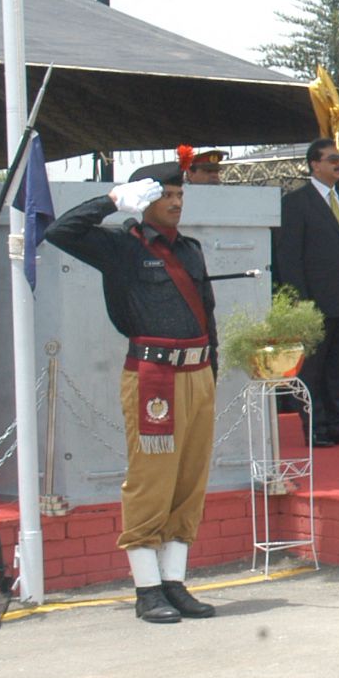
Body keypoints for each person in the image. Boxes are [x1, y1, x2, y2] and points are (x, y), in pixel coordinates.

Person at [44, 153, 221, 623]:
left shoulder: (190, 250)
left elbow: (207, 313)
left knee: (189, 482)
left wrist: (213, 373)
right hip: (154, 378)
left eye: (180, 194)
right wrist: (110, 200)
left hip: (197, 372)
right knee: (151, 481)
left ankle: (174, 582)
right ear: (144, 201)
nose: (176, 202)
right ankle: (147, 589)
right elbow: (59, 232)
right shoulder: (121, 247)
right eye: (166, 195)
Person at [274, 138, 339, 448]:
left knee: (338, 368)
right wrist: (300, 302)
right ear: (314, 164)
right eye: (332, 159)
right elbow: (289, 257)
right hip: (314, 302)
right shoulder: (296, 203)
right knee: (313, 370)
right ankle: (314, 427)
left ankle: (337, 425)